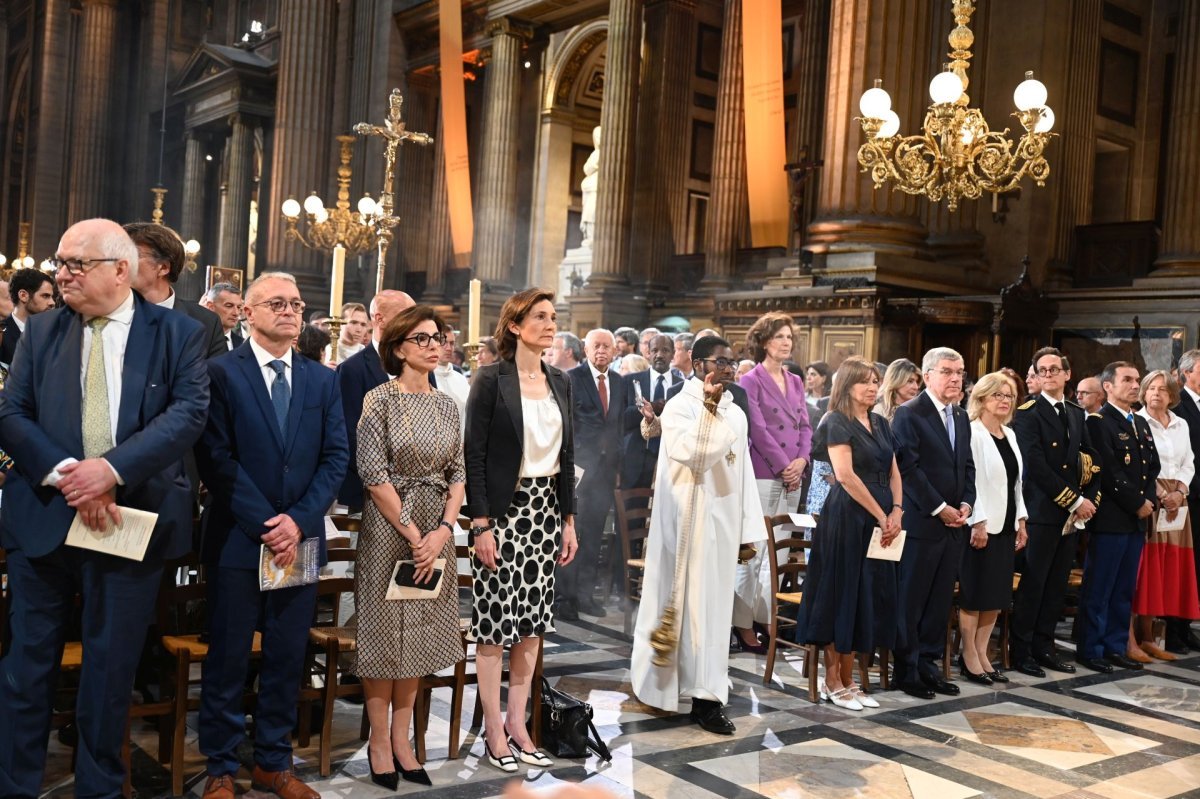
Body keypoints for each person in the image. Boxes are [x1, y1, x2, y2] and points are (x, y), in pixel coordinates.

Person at [0, 219, 209, 797]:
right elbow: (11, 414)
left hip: (127, 522)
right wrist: (74, 476)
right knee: (27, 668)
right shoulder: (41, 332)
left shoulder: (176, 334)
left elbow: (188, 415)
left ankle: (98, 787)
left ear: (122, 270)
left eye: (75, 264)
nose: (61, 274)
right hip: (45, 515)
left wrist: (112, 471)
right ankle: (16, 785)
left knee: (110, 670)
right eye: (59, 263)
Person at [196, 272, 348, 799]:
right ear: (249, 312)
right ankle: (219, 765)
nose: (290, 311)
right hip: (240, 538)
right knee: (229, 656)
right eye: (277, 303)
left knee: (287, 654)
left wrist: (299, 521)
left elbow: (335, 459)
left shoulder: (322, 380)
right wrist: (267, 522)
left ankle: (273, 762)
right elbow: (215, 459)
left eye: (297, 304)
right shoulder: (220, 372)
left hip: (299, 539)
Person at [464, 288, 577, 772]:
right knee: (493, 632)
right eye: (540, 317)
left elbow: (567, 457)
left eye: (553, 317)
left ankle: (518, 726)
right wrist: (481, 524)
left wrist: (568, 519)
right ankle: (493, 732)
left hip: (546, 513)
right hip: (502, 516)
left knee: (531, 631)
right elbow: (475, 454)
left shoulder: (561, 382)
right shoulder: (490, 379)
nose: (550, 325)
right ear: (515, 325)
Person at [353, 305, 466, 789]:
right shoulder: (379, 399)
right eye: (422, 339)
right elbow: (373, 473)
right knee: (384, 636)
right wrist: (414, 534)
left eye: (437, 337)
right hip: (388, 527)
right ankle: (380, 743)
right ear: (398, 348)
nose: (434, 345)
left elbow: (458, 472)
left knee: (417, 634)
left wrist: (443, 531)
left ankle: (404, 741)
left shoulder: (445, 404)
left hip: (436, 527)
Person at [630, 358, 761, 734]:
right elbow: (696, 455)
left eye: (733, 362)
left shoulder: (735, 410)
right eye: (721, 362)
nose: (730, 369)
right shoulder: (680, 406)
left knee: (714, 615)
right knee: (684, 611)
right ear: (700, 365)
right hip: (686, 526)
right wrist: (708, 409)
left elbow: (745, 469)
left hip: (722, 526)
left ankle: (708, 695)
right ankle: (665, 688)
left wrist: (747, 527)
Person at [794, 357, 902, 711]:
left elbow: (893, 472)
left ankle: (851, 678)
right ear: (846, 386)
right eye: (864, 382)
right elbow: (845, 476)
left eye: (875, 381)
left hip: (881, 518)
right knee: (841, 594)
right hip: (847, 518)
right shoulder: (835, 420)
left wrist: (897, 512)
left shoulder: (881, 422)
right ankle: (832, 680)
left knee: (865, 597)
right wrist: (880, 513)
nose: (872, 387)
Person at [891, 347, 976, 699]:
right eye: (947, 371)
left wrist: (967, 503)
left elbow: (967, 466)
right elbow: (907, 470)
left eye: (960, 372)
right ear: (927, 376)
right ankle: (906, 669)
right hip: (922, 524)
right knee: (912, 599)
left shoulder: (961, 416)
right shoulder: (909, 414)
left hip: (954, 524)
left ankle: (928, 663)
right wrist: (939, 507)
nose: (956, 378)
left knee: (939, 600)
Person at [1010, 347, 1100, 677]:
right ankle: (1021, 651)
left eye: (1054, 370)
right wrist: (1075, 500)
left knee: (1056, 585)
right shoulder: (1028, 413)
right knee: (1035, 584)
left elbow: (1091, 458)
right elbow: (1035, 466)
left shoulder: (1076, 413)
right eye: (1042, 370)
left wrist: (1090, 500)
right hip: (1043, 512)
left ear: (1067, 374)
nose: (1048, 375)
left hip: (1071, 516)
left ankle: (1044, 646)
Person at [1078, 361, 1160, 673]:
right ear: (1108, 387)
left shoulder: (1140, 422)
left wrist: (1148, 500)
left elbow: (1152, 468)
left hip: (1136, 519)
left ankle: (1115, 645)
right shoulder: (1099, 422)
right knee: (1100, 586)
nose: (1135, 385)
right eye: (1127, 379)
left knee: (1124, 587)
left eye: (1137, 379)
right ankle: (1092, 648)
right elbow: (1109, 471)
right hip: (1111, 517)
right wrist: (1136, 501)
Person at [736, 313, 812, 652]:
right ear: (765, 341)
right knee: (754, 552)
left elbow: (805, 427)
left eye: (789, 337)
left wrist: (801, 461)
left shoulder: (795, 380)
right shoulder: (751, 380)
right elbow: (758, 430)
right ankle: (742, 623)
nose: (786, 342)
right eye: (780, 336)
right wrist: (785, 466)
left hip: (793, 476)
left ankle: (768, 618)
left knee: (778, 552)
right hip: (765, 474)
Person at [961, 372, 1028, 684]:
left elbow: (1017, 484)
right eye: (998, 395)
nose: (1004, 401)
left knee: (997, 594)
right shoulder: (972, 433)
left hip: (1007, 522)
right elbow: (971, 482)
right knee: (976, 592)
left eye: (1009, 396)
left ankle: (983, 651)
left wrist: (1022, 522)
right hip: (982, 524)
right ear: (981, 398)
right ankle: (968, 655)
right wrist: (979, 521)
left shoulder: (1010, 434)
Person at [1134, 370, 1200, 660]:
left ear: (1172, 395)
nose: (1157, 394)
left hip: (1177, 501)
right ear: (1144, 393)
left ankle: (1165, 633)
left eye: (1162, 389)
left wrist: (1180, 491)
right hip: (1152, 497)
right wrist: (1161, 494)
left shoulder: (1181, 423)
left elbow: (1189, 461)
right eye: (1151, 389)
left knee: (1171, 567)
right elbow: (1141, 464)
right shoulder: (1137, 421)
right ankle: (1143, 635)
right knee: (1149, 568)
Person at [561, 328, 626, 620]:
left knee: (594, 533)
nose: (601, 351)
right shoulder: (571, 379)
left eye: (606, 346)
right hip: (577, 469)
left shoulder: (621, 383)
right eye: (596, 346)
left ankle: (585, 595)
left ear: (615, 352)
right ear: (585, 350)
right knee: (570, 532)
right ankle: (564, 598)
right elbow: (565, 424)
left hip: (605, 472)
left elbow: (619, 426)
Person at [335, 290, 417, 511]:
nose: (414, 323)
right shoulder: (352, 369)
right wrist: (385, 483)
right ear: (379, 318)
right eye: (406, 315)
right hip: (367, 496)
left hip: (417, 494)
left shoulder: (421, 367)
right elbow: (350, 435)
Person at [124, 221, 227, 358]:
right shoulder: (109, 314)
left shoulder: (205, 322)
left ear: (163, 268)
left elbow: (216, 377)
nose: (120, 264)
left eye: (131, 256)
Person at [621, 334, 683, 489]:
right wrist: (652, 407)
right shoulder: (630, 381)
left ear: (673, 354)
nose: (660, 355)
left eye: (665, 350)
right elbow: (621, 418)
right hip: (634, 459)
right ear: (647, 353)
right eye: (654, 350)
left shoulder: (683, 386)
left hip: (670, 461)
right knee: (629, 511)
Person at [1169, 348, 1200, 652]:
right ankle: (1175, 630)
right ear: (1186, 373)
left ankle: (1186, 625)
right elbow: (1183, 458)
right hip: (1187, 496)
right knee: (1183, 564)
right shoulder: (1179, 405)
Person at [0, 267, 56, 367]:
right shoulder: (2, 334)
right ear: (23, 295)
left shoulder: (55, 334)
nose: (52, 303)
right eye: (45, 296)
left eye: (52, 297)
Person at [434, 321, 471, 430]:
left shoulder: (461, 379)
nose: (449, 348)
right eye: (443, 342)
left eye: (452, 343)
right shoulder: (424, 377)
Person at [203, 282, 245, 351]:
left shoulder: (242, 345)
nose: (236, 313)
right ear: (210, 306)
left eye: (239, 307)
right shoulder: (197, 340)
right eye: (229, 306)